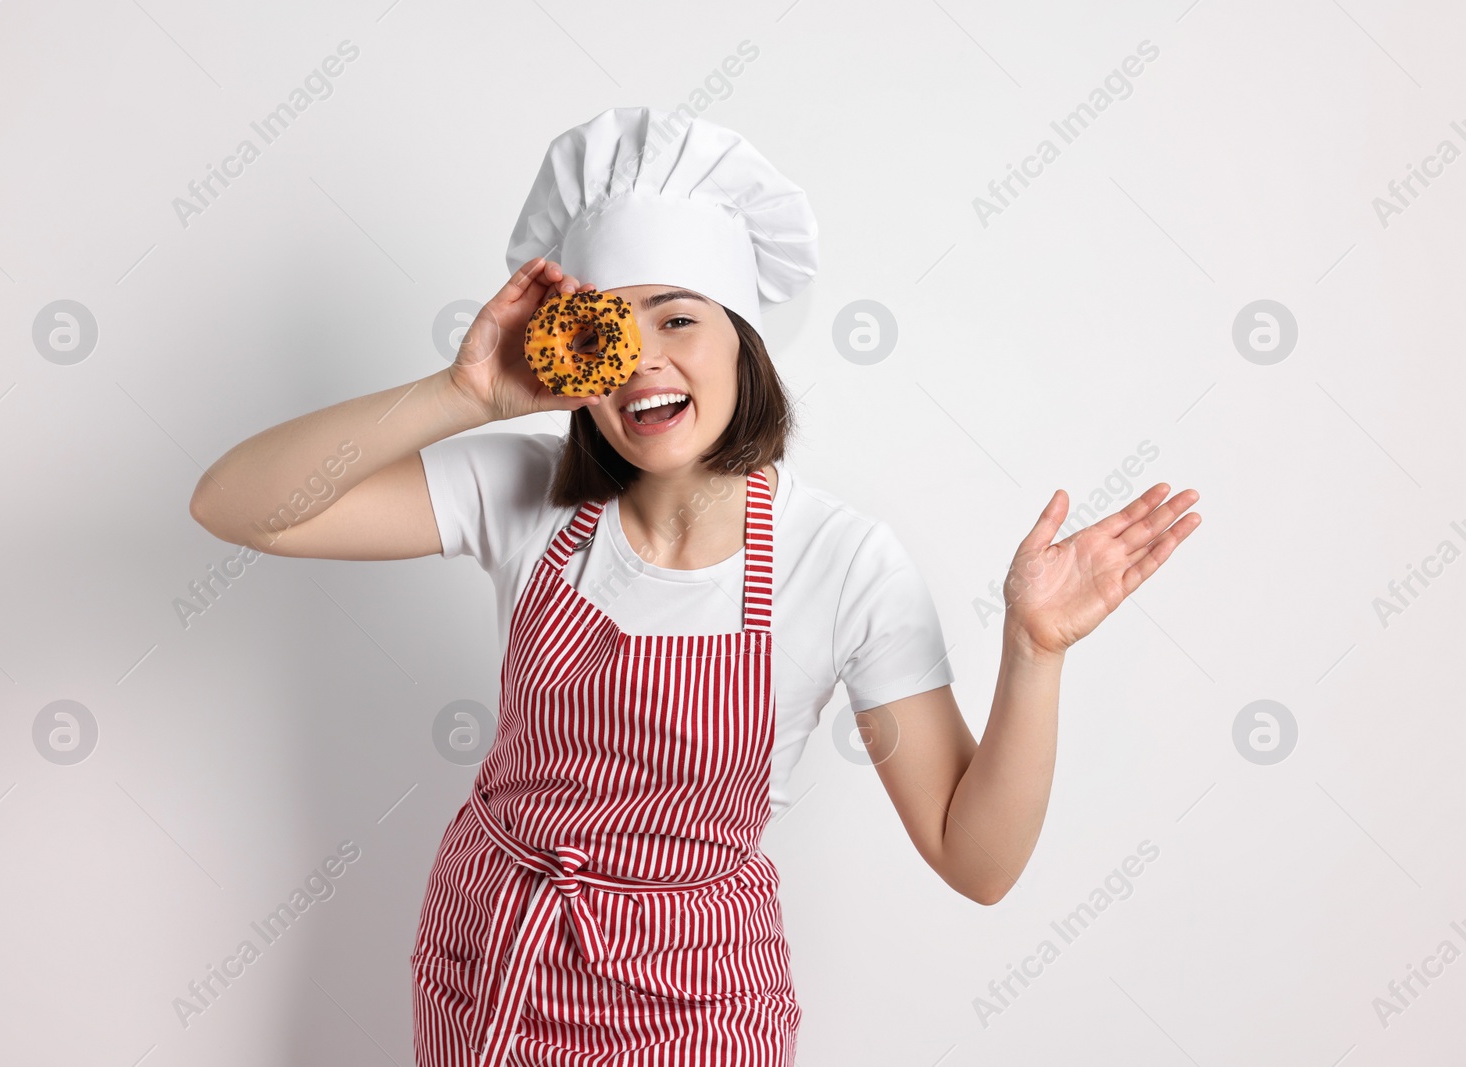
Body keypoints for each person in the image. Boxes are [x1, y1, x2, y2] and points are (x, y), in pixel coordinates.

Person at [188, 106, 1200, 1066]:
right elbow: (239, 503)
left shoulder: (841, 562)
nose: (643, 362)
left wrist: (1034, 652)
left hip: (698, 1004)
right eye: (609, 332)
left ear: (742, 342)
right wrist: (464, 395)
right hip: (490, 965)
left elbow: (973, 858)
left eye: (678, 318)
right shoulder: (526, 492)